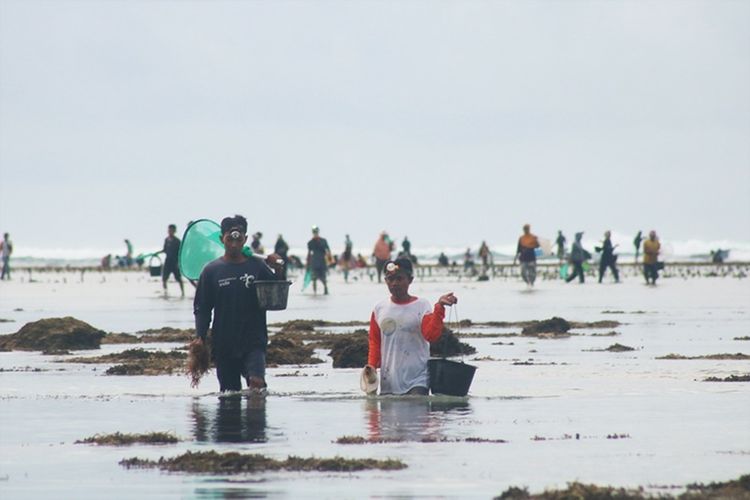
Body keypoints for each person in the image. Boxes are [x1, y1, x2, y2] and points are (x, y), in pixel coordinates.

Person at [193, 215, 284, 392]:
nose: (234, 244)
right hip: (223, 343)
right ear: (222, 239)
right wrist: (200, 337)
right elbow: (202, 308)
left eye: (238, 239)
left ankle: (256, 417)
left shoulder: (257, 267)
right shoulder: (211, 271)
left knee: (257, 385)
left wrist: (278, 269)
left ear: (245, 239)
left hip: (254, 341)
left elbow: (277, 296)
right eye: (229, 239)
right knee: (229, 393)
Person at [365, 258, 457, 395]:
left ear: (410, 280)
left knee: (416, 409)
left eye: (400, 279)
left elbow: (431, 335)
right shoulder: (380, 309)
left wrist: (439, 308)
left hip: (417, 380)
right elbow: (375, 342)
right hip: (389, 382)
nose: (395, 283)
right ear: (386, 281)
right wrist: (371, 366)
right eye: (390, 279)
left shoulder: (422, 306)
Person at [158, 224, 185, 296]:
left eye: (171, 230)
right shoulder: (166, 240)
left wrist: (179, 262)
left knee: (178, 278)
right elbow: (165, 250)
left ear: (174, 231)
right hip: (167, 262)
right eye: (169, 230)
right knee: (164, 278)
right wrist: (157, 252)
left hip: (175, 262)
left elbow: (180, 252)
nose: (170, 231)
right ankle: (165, 292)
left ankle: (183, 293)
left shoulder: (177, 241)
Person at [307, 225, 331, 294]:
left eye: (316, 232)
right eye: (314, 232)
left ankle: (325, 289)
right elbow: (309, 254)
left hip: (321, 261)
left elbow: (328, 250)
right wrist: (308, 263)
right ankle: (315, 292)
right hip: (314, 262)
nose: (315, 233)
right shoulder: (310, 242)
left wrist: (329, 260)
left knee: (323, 278)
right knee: (314, 278)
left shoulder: (323, 241)